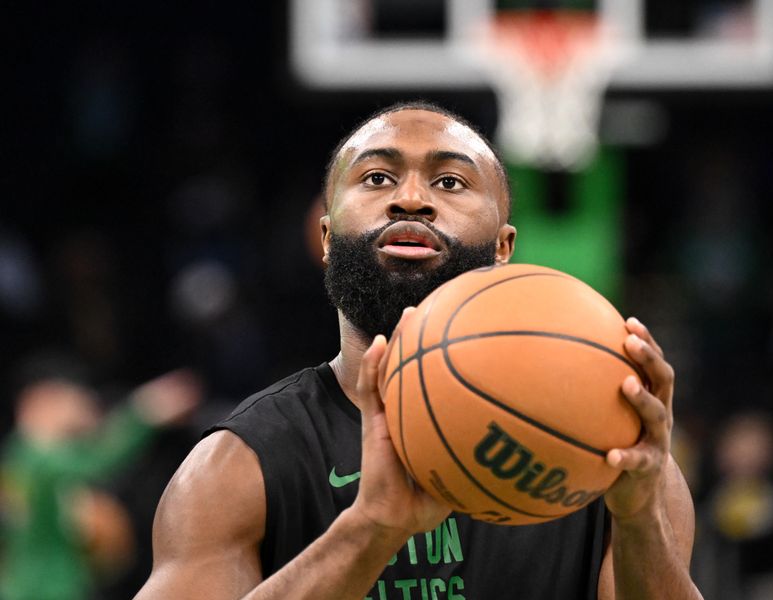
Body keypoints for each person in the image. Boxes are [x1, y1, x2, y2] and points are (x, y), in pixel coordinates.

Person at [136, 101, 702, 599]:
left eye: (450, 182)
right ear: (327, 239)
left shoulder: (611, 452)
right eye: (378, 178)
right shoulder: (240, 463)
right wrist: (371, 528)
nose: (411, 199)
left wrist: (640, 522)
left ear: (504, 246)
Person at [0, 368, 200, 600]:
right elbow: (99, 459)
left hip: (22, 586)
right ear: (44, 402)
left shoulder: (18, 456)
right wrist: (144, 411)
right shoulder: (40, 457)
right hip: (49, 587)